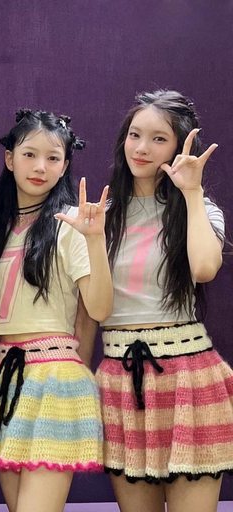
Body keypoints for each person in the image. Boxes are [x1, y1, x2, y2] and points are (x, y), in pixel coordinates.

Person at [95, 90, 231, 512]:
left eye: (158, 139)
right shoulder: (102, 216)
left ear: (178, 147)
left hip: (188, 376)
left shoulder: (201, 208)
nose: (141, 147)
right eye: (135, 134)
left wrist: (191, 193)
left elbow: (205, 268)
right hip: (122, 376)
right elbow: (93, 308)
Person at [0, 109, 111, 512]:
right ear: (9, 158)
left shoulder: (72, 226)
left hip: (55, 380)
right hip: (4, 381)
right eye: (30, 154)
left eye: (53, 158)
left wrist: (96, 240)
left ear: (65, 165)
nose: (40, 167)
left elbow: (98, 309)